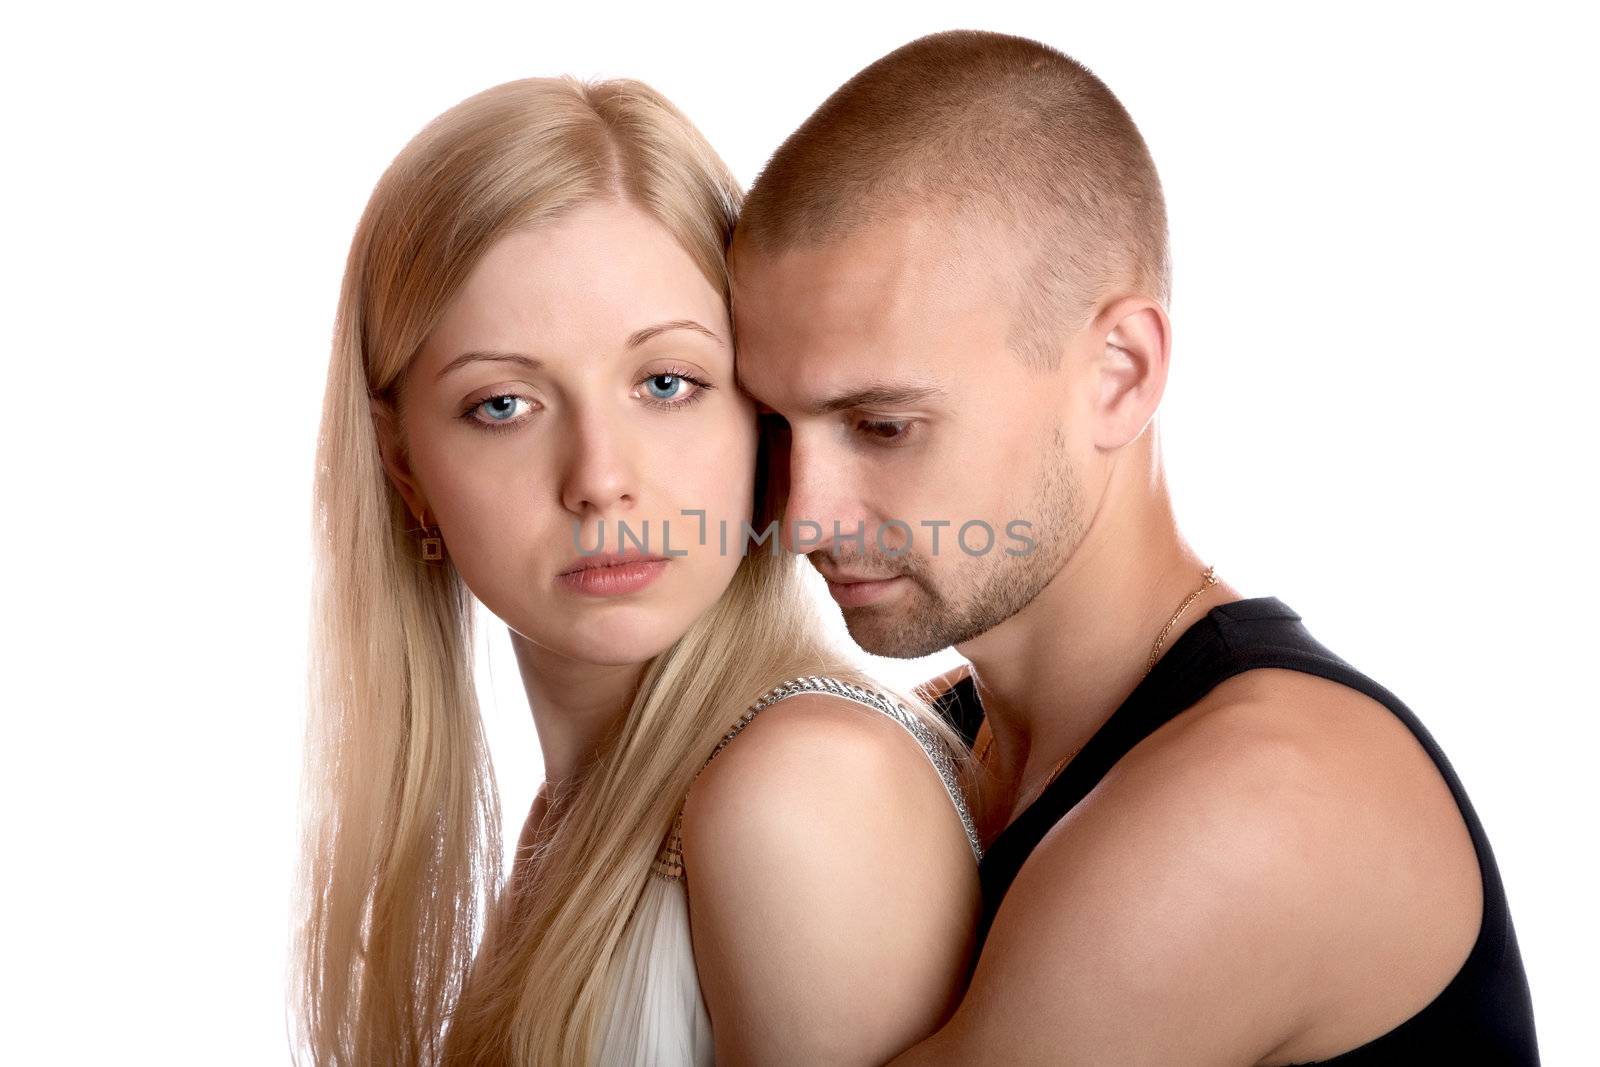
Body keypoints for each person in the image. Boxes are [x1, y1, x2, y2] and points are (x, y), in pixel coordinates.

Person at [729, 30, 1540, 1065]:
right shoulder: (943, 736)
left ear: (1119, 372)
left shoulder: (1261, 799)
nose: (803, 516)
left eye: (883, 425)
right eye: (773, 427)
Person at [290, 75, 983, 1066]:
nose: (599, 481)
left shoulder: (800, 789)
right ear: (404, 467)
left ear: (760, 407)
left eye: (666, 382)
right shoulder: (579, 818)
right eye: (503, 404)